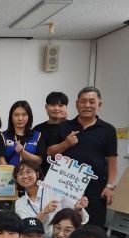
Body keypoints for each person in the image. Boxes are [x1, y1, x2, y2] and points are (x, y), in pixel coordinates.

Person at [47, 87, 117, 227]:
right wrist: (66, 143)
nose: (87, 105)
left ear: (99, 104)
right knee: (65, 227)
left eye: (92, 102)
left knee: (94, 228)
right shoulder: (64, 126)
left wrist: (110, 186)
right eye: (83, 101)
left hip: (95, 189)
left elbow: (112, 160)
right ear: (77, 104)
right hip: (66, 187)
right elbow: (50, 152)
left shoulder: (108, 129)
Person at [13, 160, 89, 234]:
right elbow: (27, 226)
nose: (25, 176)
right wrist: (44, 212)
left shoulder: (54, 189)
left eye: (28, 172)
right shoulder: (20, 203)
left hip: (61, 237)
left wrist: (78, 209)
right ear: (16, 179)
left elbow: (81, 219)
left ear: (37, 174)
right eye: (20, 173)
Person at [33, 91, 68, 174]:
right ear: (46, 107)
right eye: (52, 105)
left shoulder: (73, 127)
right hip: (43, 174)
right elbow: (40, 154)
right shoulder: (38, 129)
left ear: (66, 107)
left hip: (67, 175)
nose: (56, 108)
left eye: (60, 105)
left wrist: (64, 123)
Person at [2, 100, 45, 167]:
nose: (20, 118)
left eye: (24, 115)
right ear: (11, 117)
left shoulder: (37, 135)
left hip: (30, 173)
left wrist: (22, 152)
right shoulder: (3, 136)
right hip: (9, 173)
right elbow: (0, 159)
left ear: (29, 116)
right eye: (16, 115)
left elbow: (39, 161)